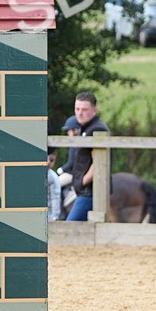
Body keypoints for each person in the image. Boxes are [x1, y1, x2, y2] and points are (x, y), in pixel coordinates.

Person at [66, 92, 110, 222]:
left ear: (95, 110)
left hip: (90, 192)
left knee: (69, 227)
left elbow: (98, 163)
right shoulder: (85, 128)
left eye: (84, 109)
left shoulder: (97, 130)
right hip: (84, 192)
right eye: (77, 109)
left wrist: (82, 181)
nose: (80, 113)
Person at [46, 149, 63, 222]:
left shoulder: (53, 177)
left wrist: (54, 216)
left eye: (52, 160)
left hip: (48, 214)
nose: (49, 162)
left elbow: (55, 197)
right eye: (47, 159)